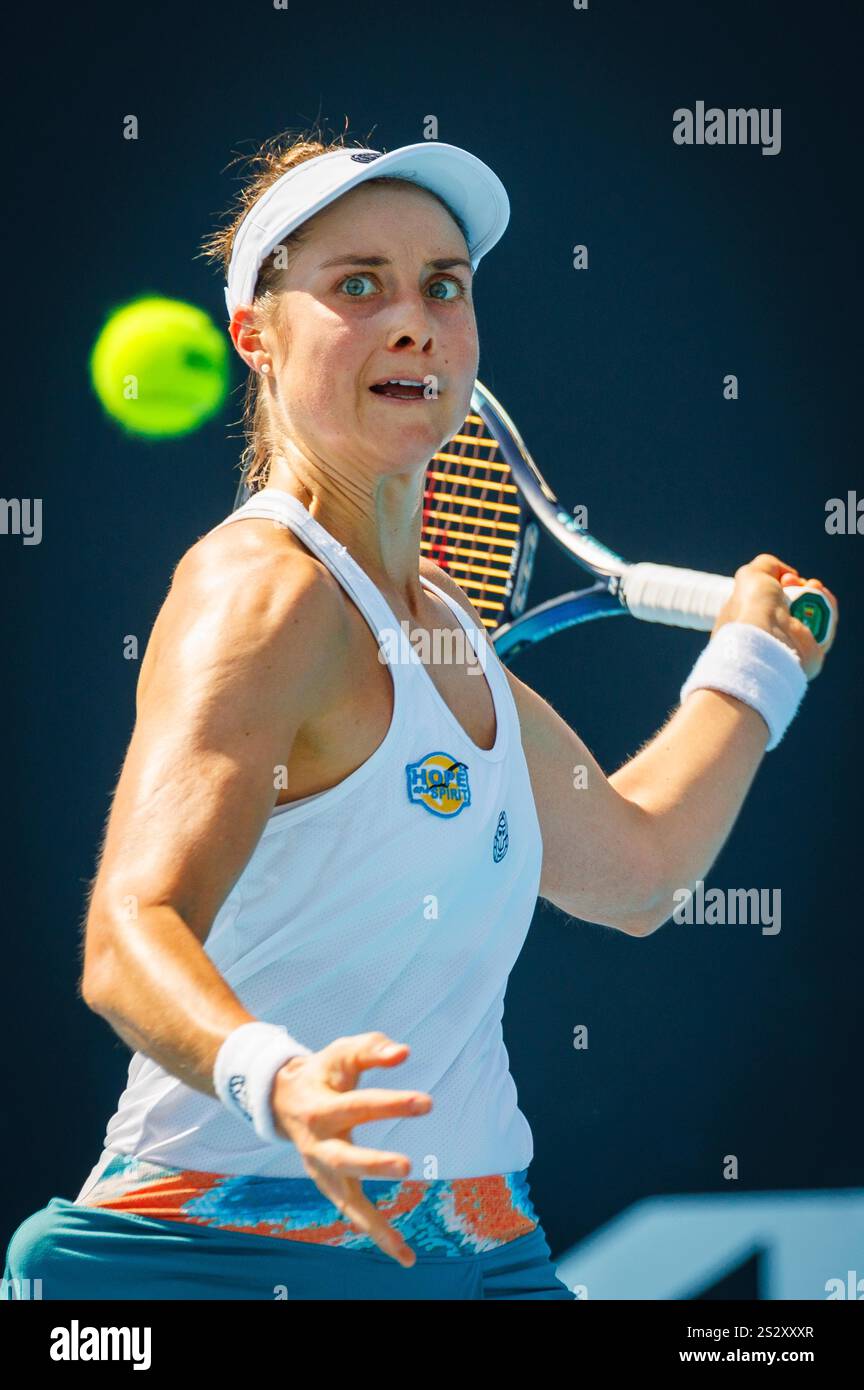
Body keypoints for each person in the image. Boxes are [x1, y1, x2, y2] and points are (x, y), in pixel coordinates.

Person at [2, 131, 837, 1301]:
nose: (414, 320)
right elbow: (128, 931)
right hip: (211, 1263)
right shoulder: (264, 593)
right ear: (255, 333)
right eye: (357, 286)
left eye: (443, 284)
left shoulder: (442, 626)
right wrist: (278, 1080)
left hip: (482, 1254)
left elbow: (639, 874)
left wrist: (755, 669)